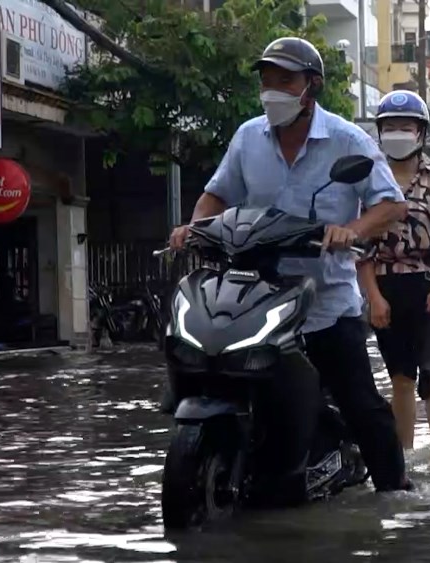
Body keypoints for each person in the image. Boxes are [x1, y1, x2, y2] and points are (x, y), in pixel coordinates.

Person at [167, 37, 411, 492]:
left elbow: (391, 205)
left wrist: (351, 230)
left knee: (360, 403)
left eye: (285, 80)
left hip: (324, 301)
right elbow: (217, 194)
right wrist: (193, 226)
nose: (272, 90)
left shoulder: (345, 138)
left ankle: (396, 496)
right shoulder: (247, 137)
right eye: (266, 81)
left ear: (311, 86)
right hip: (255, 292)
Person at [357, 90, 430, 451]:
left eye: (405, 127)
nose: (398, 133)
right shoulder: (368, 179)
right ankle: (403, 457)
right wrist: (373, 297)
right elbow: (361, 249)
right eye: (390, 126)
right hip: (387, 286)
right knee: (400, 376)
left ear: (420, 132)